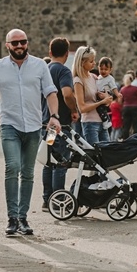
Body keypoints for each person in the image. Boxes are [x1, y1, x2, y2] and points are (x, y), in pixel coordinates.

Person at [0, 29, 61, 237]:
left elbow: (50, 92)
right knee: (13, 167)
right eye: (15, 43)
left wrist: (54, 116)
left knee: (28, 173)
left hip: (34, 126)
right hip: (9, 124)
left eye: (23, 42)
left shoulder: (39, 65)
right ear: (7, 45)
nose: (19, 46)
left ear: (27, 43)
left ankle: (23, 217)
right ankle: (12, 218)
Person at [41, 38, 79, 211]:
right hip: (60, 124)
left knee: (48, 160)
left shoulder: (44, 70)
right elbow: (67, 94)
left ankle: (47, 198)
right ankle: (58, 199)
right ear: (67, 53)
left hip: (46, 123)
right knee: (61, 161)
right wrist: (74, 109)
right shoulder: (63, 71)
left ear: (50, 52)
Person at [72, 46, 113, 145]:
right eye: (91, 61)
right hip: (90, 123)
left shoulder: (94, 77)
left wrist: (106, 98)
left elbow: (106, 97)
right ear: (82, 62)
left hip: (102, 121)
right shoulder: (78, 80)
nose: (94, 63)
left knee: (107, 154)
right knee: (95, 156)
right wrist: (101, 102)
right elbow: (82, 108)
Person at [119, 73, 137, 139]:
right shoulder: (136, 88)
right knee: (136, 126)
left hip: (126, 108)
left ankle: (125, 141)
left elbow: (120, 101)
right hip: (135, 108)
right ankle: (135, 140)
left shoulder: (122, 89)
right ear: (132, 80)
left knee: (126, 126)